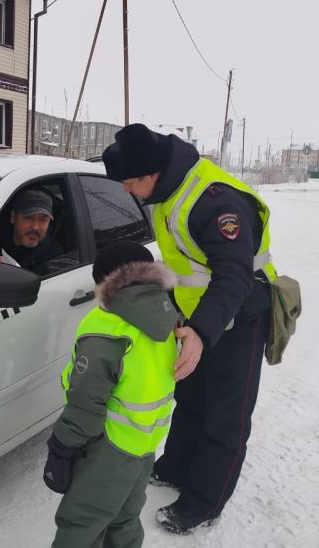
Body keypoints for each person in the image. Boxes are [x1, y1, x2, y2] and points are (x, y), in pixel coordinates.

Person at [102, 123, 278, 534]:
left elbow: (234, 275)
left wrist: (201, 331)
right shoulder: (168, 191)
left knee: (226, 414)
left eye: (129, 182)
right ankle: (177, 466)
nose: (127, 191)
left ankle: (203, 502)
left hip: (243, 311)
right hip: (199, 315)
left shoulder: (214, 202)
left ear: (150, 174)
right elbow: (188, 266)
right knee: (192, 396)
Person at [43, 240, 178, 548]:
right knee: (124, 517)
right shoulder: (164, 314)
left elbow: (86, 402)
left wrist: (64, 444)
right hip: (143, 443)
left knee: (81, 521)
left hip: (109, 447)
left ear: (105, 282)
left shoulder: (106, 329)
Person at [0, 188, 63, 271]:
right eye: (29, 218)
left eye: (43, 220)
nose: (35, 227)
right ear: (13, 217)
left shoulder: (54, 258)